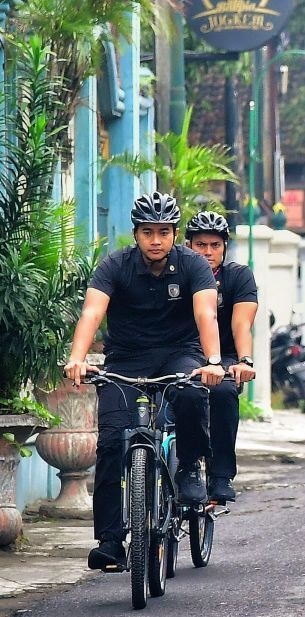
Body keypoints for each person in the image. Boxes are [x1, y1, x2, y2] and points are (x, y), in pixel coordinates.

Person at [62, 192, 226, 571]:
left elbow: (205, 315)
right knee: (110, 444)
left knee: (189, 395)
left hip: (179, 353)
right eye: (148, 232)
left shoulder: (193, 265)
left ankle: (187, 467)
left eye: (164, 232)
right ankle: (110, 540)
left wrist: (214, 361)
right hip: (126, 359)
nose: (156, 240)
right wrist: (77, 358)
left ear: (174, 235)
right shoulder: (115, 266)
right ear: (135, 234)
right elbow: (92, 311)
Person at [184, 211, 258, 503]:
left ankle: (221, 474)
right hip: (183, 353)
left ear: (225, 247)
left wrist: (245, 360)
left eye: (215, 245)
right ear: (188, 245)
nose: (208, 252)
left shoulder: (238, 276)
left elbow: (242, 323)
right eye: (201, 245)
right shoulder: (177, 274)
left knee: (224, 392)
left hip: (225, 357)